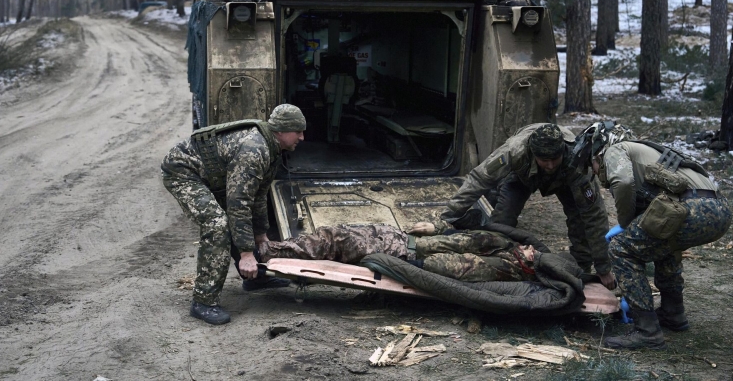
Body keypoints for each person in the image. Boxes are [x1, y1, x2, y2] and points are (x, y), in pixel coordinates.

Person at [574, 121, 732, 350]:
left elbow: (624, 181)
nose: (596, 171)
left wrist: (625, 223)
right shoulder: (648, 151)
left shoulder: (616, 150)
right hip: (720, 209)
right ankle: (673, 313)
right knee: (661, 242)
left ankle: (646, 331)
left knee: (621, 249)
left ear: (599, 151)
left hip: (690, 209)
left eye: (594, 164)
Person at [412, 123, 615, 289]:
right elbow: (478, 180)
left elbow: (594, 216)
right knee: (501, 223)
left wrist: (603, 268)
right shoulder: (514, 151)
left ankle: (578, 271)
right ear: (533, 154)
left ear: (563, 151)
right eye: (545, 160)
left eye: (555, 159)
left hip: (565, 180)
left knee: (580, 223)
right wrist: (445, 220)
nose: (550, 165)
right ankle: (500, 265)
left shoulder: (576, 161)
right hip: (521, 177)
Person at [161, 104, 306, 325]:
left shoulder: (273, 148)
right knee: (218, 224)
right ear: (281, 131)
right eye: (298, 131)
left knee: (236, 221)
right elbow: (238, 203)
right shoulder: (254, 149)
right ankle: (204, 301)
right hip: (184, 171)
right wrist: (247, 253)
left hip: (212, 176)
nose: (302, 137)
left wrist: (261, 235)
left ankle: (255, 279)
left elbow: (258, 196)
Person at [257, 224, 539, 283]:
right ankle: (272, 250)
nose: (530, 249)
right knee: (334, 233)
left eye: (532, 253)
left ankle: (267, 253)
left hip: (403, 251)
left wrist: (413, 263)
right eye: (530, 246)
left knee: (335, 240)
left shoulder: (505, 265)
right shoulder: (503, 243)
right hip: (404, 238)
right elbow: (462, 235)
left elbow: (458, 267)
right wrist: (433, 227)